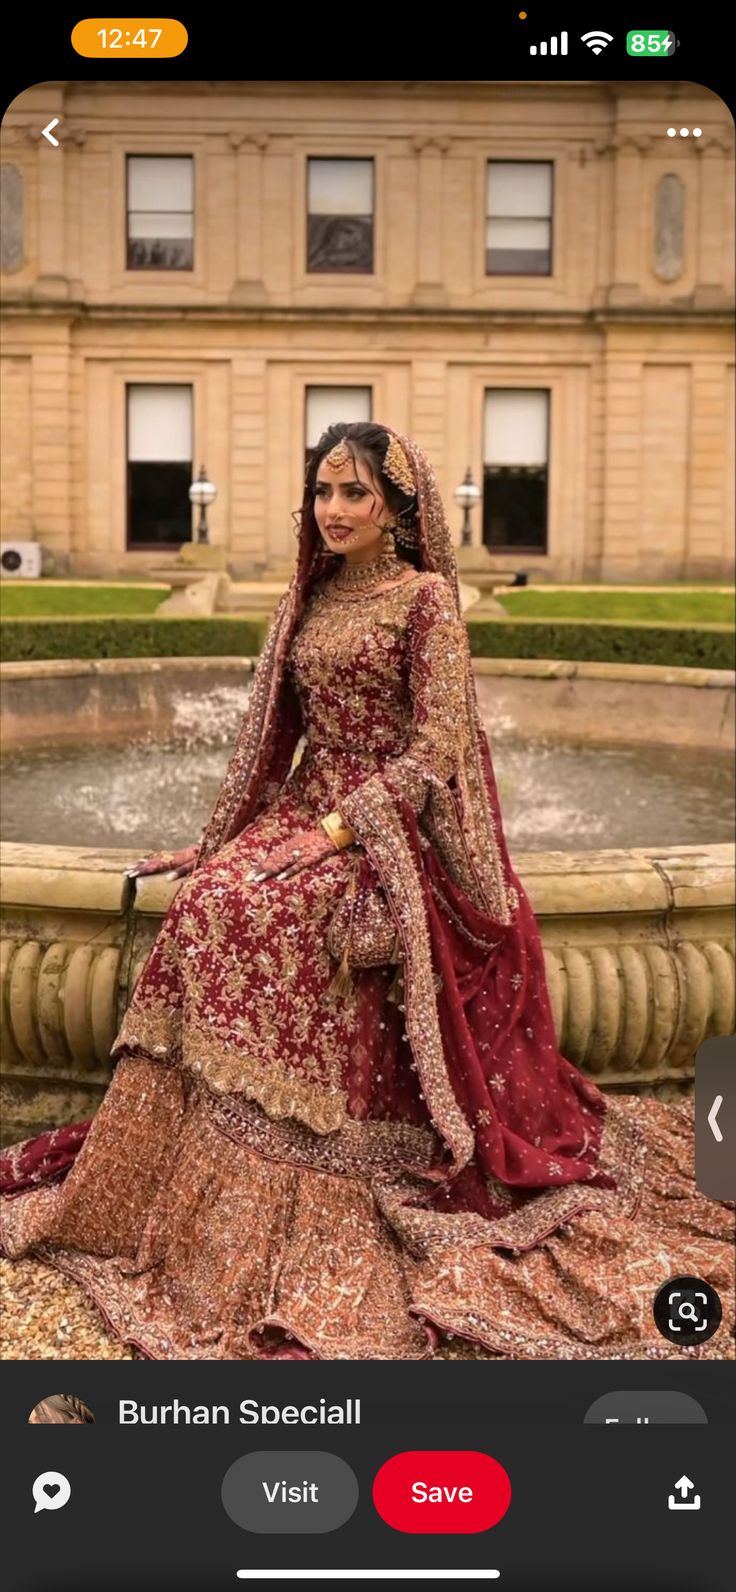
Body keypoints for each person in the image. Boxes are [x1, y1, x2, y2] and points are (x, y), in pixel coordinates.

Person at [1, 424, 731, 1361]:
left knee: (272, 911)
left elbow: (436, 751)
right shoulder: (313, 594)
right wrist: (220, 839)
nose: (334, 511)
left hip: (386, 827)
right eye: (323, 493)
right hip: (309, 805)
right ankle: (172, 1181)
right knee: (212, 899)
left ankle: (304, 1182)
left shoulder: (425, 602)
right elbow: (274, 738)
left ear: (396, 507)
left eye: (355, 495)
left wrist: (336, 832)